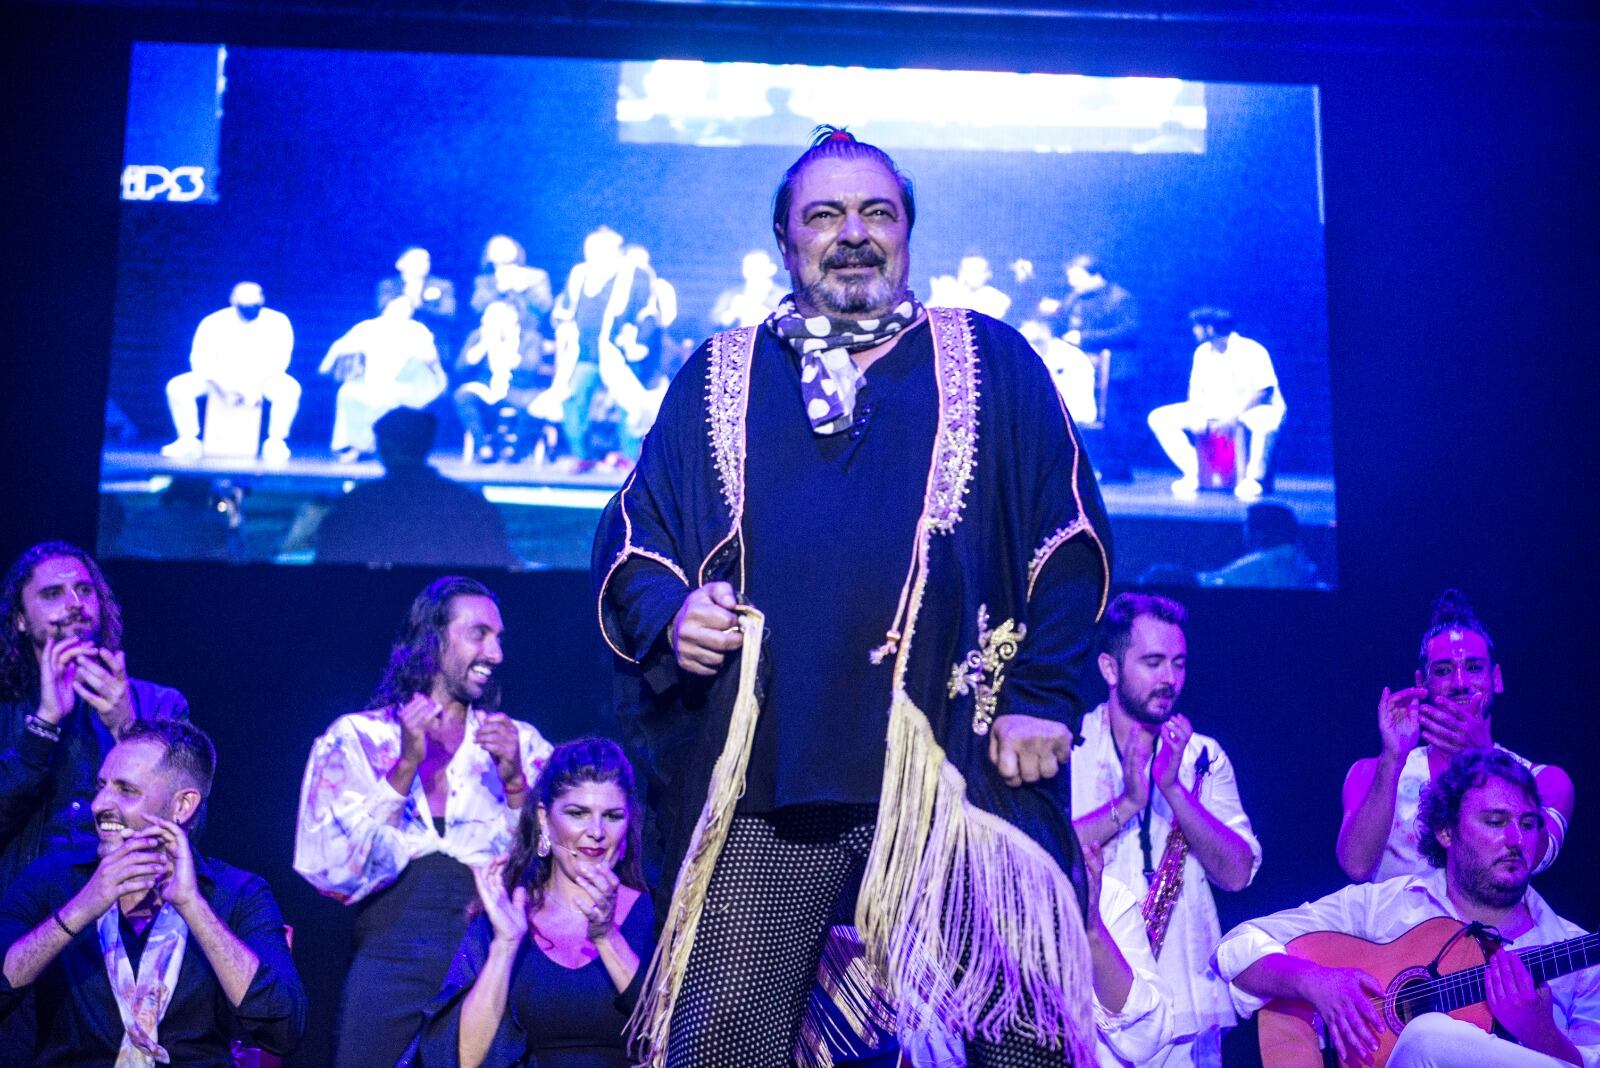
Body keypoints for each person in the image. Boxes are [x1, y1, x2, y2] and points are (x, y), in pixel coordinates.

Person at [594, 127, 1112, 1068]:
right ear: (785, 240)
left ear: (908, 231)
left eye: (878, 212)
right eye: (825, 215)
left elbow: (1068, 538)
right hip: (778, 779)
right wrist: (673, 615)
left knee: (1022, 1046)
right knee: (716, 1048)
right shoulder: (722, 372)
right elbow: (637, 536)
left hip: (963, 770)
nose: (854, 234)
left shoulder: (992, 359)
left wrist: (1044, 697)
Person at [295, 576, 552, 1068]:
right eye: (479, 634)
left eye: (499, 638)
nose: (496, 653)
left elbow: (550, 863)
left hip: (484, 959)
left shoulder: (519, 743)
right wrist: (404, 766)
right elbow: (326, 867)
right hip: (388, 958)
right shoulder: (358, 739)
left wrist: (516, 783)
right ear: (433, 638)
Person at [1218, 748, 1600, 1067]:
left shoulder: (1578, 955)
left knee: (1427, 1036)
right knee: (1425, 1036)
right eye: (1495, 821)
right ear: (1446, 832)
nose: (1516, 839)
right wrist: (1315, 981)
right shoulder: (1385, 906)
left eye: (1529, 824)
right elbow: (1237, 946)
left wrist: (1541, 1033)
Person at [0, 719, 306, 1065]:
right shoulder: (53, 877)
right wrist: (81, 908)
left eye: (126, 790)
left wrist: (193, 907)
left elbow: (283, 1029)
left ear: (182, 806)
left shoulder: (238, 894)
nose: (99, 804)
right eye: (101, 786)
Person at [1070, 593, 1261, 1068]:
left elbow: (1237, 873)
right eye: (1153, 663)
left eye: (1179, 664)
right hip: (1087, 999)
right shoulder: (1071, 747)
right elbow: (1047, 856)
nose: (1170, 679)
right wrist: (1129, 803)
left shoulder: (1203, 756)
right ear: (1109, 668)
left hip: (1187, 1009)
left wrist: (1173, 789)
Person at [413, 737, 656, 1067]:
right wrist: (505, 945)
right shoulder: (507, 917)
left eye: (612, 816)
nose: (596, 831)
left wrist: (606, 936)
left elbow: (673, 1034)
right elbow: (462, 1060)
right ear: (544, 819)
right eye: (578, 813)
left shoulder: (656, 915)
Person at [1336, 589, 1573, 884]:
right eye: (1443, 670)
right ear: (1422, 682)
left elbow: (1530, 856)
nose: (1460, 683)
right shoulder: (1372, 773)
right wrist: (1393, 758)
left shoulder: (1544, 781)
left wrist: (1484, 760)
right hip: (1390, 916)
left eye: (1473, 668)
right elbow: (1356, 867)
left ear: (1496, 679)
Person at [1, 542, 190, 900]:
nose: (74, 603)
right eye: (53, 594)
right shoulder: (5, 709)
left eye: (84, 590)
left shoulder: (161, 705)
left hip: (123, 908)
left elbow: (187, 823)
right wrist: (44, 724)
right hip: (23, 909)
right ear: (20, 619)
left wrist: (127, 728)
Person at [313, 408, 520, 568]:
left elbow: (327, 561)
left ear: (383, 447)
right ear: (429, 444)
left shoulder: (357, 504)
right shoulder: (469, 504)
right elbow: (503, 561)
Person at [536, 227, 658, 466]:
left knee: (630, 405)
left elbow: (649, 313)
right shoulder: (580, 274)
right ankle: (583, 455)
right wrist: (563, 329)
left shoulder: (636, 274)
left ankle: (631, 457)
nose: (593, 254)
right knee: (573, 398)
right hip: (584, 353)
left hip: (619, 353)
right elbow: (564, 309)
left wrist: (640, 343)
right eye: (590, 249)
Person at [1147, 308, 1285, 501]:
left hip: (1253, 407)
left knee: (1264, 422)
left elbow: (1263, 391)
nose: (1194, 331)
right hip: (1216, 407)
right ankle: (1196, 471)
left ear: (1209, 328)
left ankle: (1254, 479)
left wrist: (1234, 416)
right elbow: (1195, 389)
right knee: (1159, 418)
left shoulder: (1251, 350)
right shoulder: (1202, 352)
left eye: (1197, 327)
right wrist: (1196, 412)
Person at [161, 281, 300, 464]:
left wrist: (253, 386)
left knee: (290, 389)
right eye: (245, 303)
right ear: (233, 300)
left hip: (262, 380)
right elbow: (200, 360)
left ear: (262, 300)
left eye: (254, 303)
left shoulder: (278, 322)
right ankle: (188, 439)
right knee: (178, 387)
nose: (250, 307)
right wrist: (223, 386)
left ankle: (276, 441)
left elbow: (280, 361)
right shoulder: (214, 322)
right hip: (217, 380)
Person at [1039, 255, 1140, 481]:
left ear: (1095, 275)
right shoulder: (1075, 298)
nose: (1072, 282)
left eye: (1077, 277)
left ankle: (1117, 467)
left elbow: (1130, 330)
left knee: (1113, 417)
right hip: (1078, 370)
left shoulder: (1120, 298)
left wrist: (1085, 337)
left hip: (1114, 369)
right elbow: (1063, 324)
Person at [319, 291, 447, 461]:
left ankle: (376, 446)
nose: (403, 311)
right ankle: (352, 444)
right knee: (347, 392)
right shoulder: (369, 327)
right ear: (386, 307)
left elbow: (431, 358)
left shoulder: (416, 330)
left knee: (389, 398)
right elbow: (340, 346)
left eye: (407, 307)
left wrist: (432, 368)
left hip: (406, 384)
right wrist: (326, 365)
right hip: (372, 382)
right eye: (398, 306)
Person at [453, 299, 552, 464]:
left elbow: (532, 366)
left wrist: (512, 360)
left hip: (518, 386)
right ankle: (483, 447)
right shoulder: (479, 336)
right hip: (486, 385)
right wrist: (482, 346)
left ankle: (514, 449)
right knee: (463, 397)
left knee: (530, 405)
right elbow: (460, 367)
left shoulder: (530, 338)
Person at [1196, 501, 1322, 589]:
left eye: (1246, 525)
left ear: (1259, 533)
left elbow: (1211, 583)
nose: (1243, 531)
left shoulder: (1262, 564)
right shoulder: (1301, 561)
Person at [470, 235, 554, 346]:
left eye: (506, 246)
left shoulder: (536, 276)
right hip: (492, 335)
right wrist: (499, 290)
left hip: (527, 335)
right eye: (497, 247)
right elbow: (476, 307)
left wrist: (525, 290)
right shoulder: (484, 281)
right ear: (488, 255)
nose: (502, 251)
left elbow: (545, 305)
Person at [1021, 317, 1098, 426]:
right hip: (1045, 420)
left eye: (1028, 321)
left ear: (1044, 328)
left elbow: (1072, 398)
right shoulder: (1029, 353)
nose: (1022, 327)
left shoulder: (1070, 355)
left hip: (1074, 421)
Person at [377, 245, 457, 346]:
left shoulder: (442, 286)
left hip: (434, 342)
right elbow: (383, 309)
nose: (423, 264)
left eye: (426, 260)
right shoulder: (389, 285)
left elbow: (448, 314)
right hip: (395, 341)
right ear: (399, 263)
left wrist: (419, 306)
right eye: (416, 260)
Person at [710, 249, 786, 329]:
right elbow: (715, 323)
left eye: (758, 266)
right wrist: (731, 313)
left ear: (771, 269)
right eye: (748, 266)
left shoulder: (782, 297)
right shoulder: (731, 296)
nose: (752, 271)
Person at [927, 254, 1012, 321]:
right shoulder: (947, 290)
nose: (973, 276)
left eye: (978, 272)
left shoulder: (999, 300)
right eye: (969, 271)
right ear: (961, 271)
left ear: (988, 273)